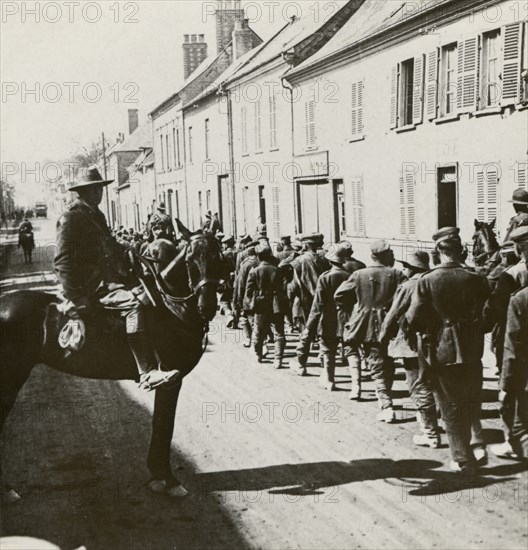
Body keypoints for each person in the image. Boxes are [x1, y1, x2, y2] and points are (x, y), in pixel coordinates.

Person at [53, 167, 180, 391]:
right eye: (92, 189)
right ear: (80, 192)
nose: (98, 193)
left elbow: (109, 246)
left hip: (109, 279)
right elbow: (62, 262)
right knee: (134, 304)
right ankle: (147, 371)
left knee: (151, 293)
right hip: (91, 286)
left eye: (99, 188)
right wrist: (76, 296)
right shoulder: (71, 218)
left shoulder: (96, 215)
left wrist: (131, 251)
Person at [406, 227, 490, 474]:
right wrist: (477, 328)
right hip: (473, 347)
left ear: (438, 253)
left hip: (442, 348)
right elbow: (490, 310)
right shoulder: (475, 277)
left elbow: (414, 317)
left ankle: (462, 458)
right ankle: (475, 443)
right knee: (470, 397)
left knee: (448, 403)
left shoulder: (428, 280)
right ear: (461, 251)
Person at [335, 240, 405, 420]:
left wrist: (360, 308)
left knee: (378, 362)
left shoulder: (358, 274)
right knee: (385, 363)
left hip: (366, 325)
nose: (393, 257)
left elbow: (340, 295)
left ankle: (386, 404)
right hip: (391, 324)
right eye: (391, 254)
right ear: (385, 256)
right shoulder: (397, 274)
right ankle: (386, 403)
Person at [380, 250, 440, 447]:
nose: (403, 269)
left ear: (413, 268)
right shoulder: (434, 281)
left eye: (405, 266)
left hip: (413, 342)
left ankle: (429, 432)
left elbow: (394, 313)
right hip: (439, 341)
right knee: (436, 385)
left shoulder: (407, 286)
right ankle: (434, 420)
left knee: (417, 385)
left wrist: (383, 335)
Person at [489, 226, 528, 460]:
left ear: (516, 247)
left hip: (517, 339)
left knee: (511, 396)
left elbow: (495, 310)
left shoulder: (511, 275)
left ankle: (512, 442)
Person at [299, 245, 351, 391]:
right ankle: (356, 384)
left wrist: (310, 326)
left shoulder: (325, 277)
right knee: (350, 350)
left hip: (328, 318)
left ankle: (329, 379)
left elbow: (317, 305)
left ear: (330, 261)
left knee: (328, 348)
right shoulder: (350, 276)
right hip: (346, 319)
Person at [245, 244, 288, 368]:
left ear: (259, 256)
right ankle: (278, 359)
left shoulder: (254, 271)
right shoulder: (277, 270)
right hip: (276, 303)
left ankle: (258, 355)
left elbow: (248, 291)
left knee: (258, 330)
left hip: (261, 303)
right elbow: (283, 287)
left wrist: (250, 305)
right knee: (279, 332)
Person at [234, 242, 259, 346]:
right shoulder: (261, 262)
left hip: (247, 295)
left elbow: (240, 284)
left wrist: (238, 300)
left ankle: (249, 338)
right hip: (261, 295)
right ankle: (262, 339)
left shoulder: (245, 265)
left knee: (245, 317)